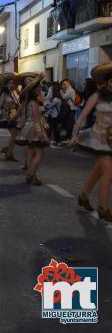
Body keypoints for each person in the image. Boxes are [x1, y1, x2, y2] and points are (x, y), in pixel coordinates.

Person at [70, 62, 112, 221]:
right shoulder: (96, 96)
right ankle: (103, 207)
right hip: (98, 138)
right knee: (109, 172)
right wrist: (74, 135)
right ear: (106, 82)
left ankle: (84, 196)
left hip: (111, 139)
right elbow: (81, 117)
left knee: (99, 170)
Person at [16, 72, 49, 185]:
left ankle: (32, 176)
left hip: (29, 128)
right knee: (40, 153)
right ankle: (30, 173)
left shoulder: (28, 101)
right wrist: (41, 133)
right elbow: (36, 119)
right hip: (34, 128)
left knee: (31, 152)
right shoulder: (33, 102)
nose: (40, 90)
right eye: (38, 88)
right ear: (34, 90)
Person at [0, 73, 21, 161]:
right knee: (14, 135)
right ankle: (8, 152)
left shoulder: (14, 92)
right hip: (7, 116)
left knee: (15, 134)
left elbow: (18, 103)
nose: (11, 85)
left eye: (12, 83)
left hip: (14, 115)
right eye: (9, 83)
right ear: (6, 84)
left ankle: (8, 151)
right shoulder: (4, 94)